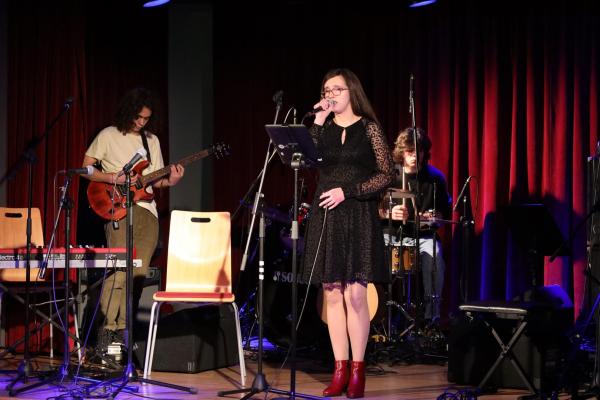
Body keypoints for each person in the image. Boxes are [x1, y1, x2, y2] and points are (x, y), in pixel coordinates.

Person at [299, 68, 393, 398]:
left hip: (357, 215)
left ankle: (358, 370)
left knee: (355, 294)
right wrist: (319, 120)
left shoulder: (369, 128)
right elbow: (305, 159)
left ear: (352, 91)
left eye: (336, 89)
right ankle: (339, 370)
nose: (330, 95)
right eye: (326, 90)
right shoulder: (321, 129)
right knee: (332, 293)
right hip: (327, 216)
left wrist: (348, 191)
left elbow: (385, 174)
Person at [82, 87, 184, 357]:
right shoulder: (108, 135)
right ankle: (107, 334)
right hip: (119, 208)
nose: (141, 122)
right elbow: (87, 169)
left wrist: (171, 181)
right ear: (128, 112)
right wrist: (112, 177)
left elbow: (156, 180)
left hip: (147, 212)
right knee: (118, 271)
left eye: (146, 118)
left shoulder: (152, 140)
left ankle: (125, 336)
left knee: (138, 275)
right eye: (138, 117)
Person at [379, 127, 451, 324]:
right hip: (392, 233)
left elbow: (444, 212)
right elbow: (371, 210)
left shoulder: (435, 178)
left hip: (423, 236)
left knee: (435, 257)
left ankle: (431, 317)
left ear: (424, 152)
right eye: (409, 151)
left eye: (418, 151)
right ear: (401, 152)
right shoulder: (388, 176)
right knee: (375, 253)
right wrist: (389, 213)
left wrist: (434, 217)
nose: (414, 156)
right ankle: (379, 314)